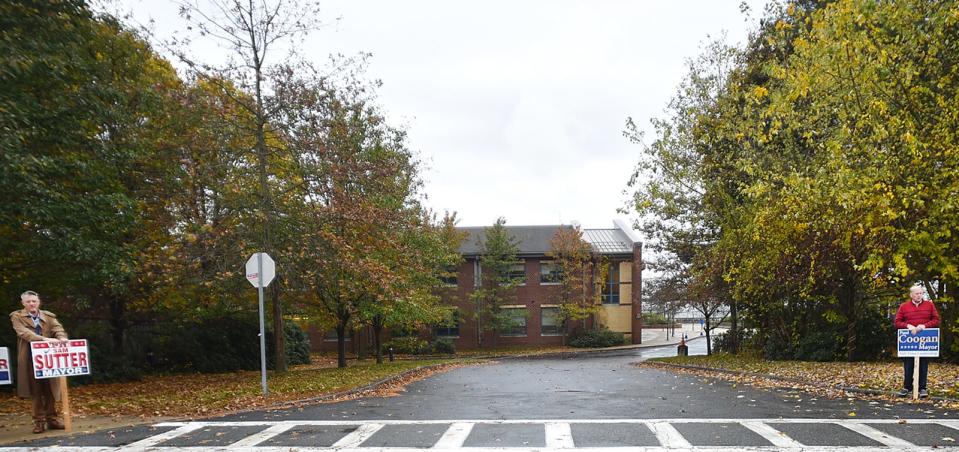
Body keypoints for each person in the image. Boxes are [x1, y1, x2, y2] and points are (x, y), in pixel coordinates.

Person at [9, 291, 69, 433]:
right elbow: (23, 333)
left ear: (39, 302)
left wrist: (62, 338)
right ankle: (39, 422)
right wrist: (44, 339)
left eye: (34, 301)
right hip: (30, 359)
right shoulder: (17, 316)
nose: (32, 304)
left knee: (50, 389)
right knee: (36, 391)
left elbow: (57, 328)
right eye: (28, 301)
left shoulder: (48, 316)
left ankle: (52, 419)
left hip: (48, 359)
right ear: (23, 303)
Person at [894, 285, 940, 398]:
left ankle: (922, 388)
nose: (919, 295)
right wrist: (908, 326)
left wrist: (924, 326)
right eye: (917, 293)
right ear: (911, 295)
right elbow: (897, 322)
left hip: (925, 340)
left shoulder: (929, 305)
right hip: (909, 341)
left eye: (921, 293)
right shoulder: (904, 306)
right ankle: (907, 387)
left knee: (923, 365)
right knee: (908, 365)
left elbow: (936, 320)